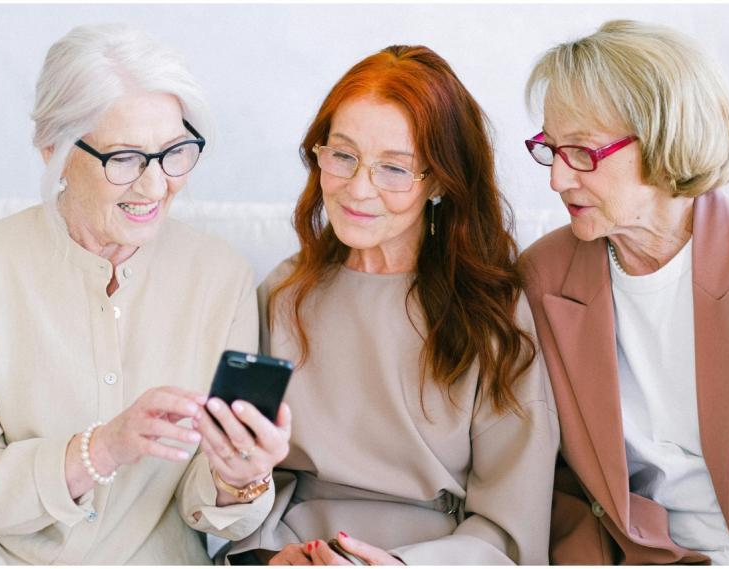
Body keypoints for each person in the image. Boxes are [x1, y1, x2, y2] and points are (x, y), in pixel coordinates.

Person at [0, 23, 290, 565]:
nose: (155, 186)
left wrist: (240, 476)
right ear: (54, 150)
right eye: (124, 158)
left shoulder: (220, 276)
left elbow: (203, 507)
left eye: (174, 151)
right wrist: (102, 448)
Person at [226, 45, 559, 565]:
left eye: (394, 169)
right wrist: (267, 558)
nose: (359, 189)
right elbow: (241, 475)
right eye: (343, 156)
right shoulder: (283, 293)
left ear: (441, 181)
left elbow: (512, 525)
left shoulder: (491, 311)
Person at [519, 19, 729, 565]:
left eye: (582, 151)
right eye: (550, 149)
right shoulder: (542, 278)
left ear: (667, 138)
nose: (557, 179)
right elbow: (552, 478)